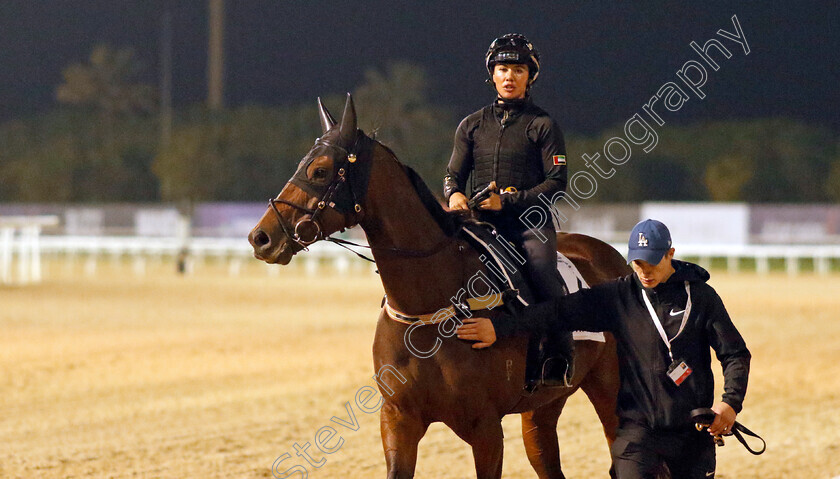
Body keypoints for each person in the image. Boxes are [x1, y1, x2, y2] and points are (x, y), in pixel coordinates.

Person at [456, 219, 752, 478]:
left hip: (691, 432)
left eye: (652, 262)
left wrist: (730, 403)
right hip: (637, 434)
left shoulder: (701, 298)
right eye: (638, 263)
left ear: (670, 254)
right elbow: (556, 312)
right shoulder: (618, 296)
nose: (644, 271)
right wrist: (500, 327)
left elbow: (735, 353)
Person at [443, 33, 571, 387]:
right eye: (503, 69)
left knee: (544, 276)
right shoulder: (471, 125)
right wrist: (454, 194)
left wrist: (510, 201)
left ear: (530, 76)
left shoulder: (543, 125)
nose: (509, 76)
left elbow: (557, 182)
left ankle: (560, 354)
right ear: (492, 74)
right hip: (480, 226)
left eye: (517, 69)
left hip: (530, 226)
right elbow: (452, 175)